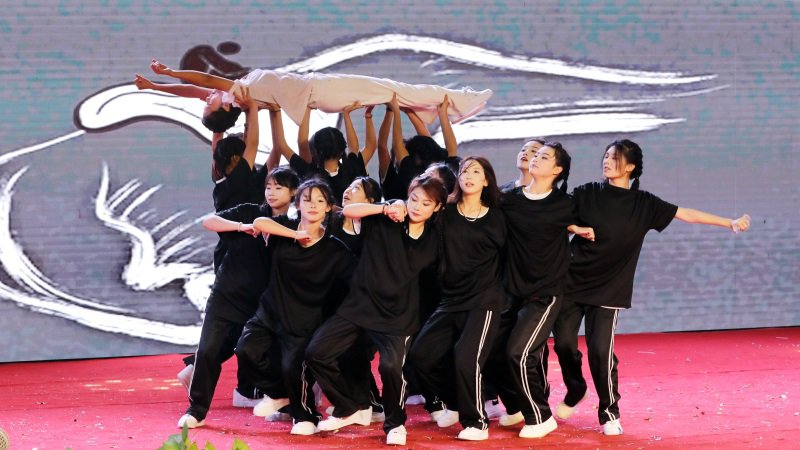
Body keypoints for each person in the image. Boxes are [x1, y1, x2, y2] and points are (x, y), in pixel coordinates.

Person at [551, 139, 751, 436]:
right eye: (606, 156)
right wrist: (575, 228)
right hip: (571, 282)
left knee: (600, 351)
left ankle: (609, 412)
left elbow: (686, 214)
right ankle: (576, 387)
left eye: (615, 158)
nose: (607, 161)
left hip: (609, 288)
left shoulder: (644, 204)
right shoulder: (587, 192)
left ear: (630, 166)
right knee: (564, 345)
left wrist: (729, 223)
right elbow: (556, 218)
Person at [305, 175, 447, 446]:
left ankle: (395, 424)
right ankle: (349, 406)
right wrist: (384, 208)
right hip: (359, 306)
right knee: (317, 352)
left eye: (426, 203)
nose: (417, 206)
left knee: (391, 367)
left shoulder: (434, 238)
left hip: (398, 316)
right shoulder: (387, 215)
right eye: (413, 199)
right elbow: (349, 210)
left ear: (437, 207)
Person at [176, 166, 299, 430]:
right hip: (225, 296)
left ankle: (284, 398)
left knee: (256, 353)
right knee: (208, 351)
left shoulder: (293, 224)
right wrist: (242, 227)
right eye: (268, 187)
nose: (271, 192)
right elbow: (209, 221)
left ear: (293, 193)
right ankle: (196, 410)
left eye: (278, 188)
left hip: (260, 305)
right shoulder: (249, 211)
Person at [233, 179, 357, 436]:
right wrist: (294, 235)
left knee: (293, 368)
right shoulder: (283, 231)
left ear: (328, 208)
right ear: (298, 204)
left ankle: (306, 415)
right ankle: (279, 394)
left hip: (304, 320)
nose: (313, 205)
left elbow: (354, 285)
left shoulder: (335, 249)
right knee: (246, 350)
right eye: (307, 199)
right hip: (269, 312)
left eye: (320, 201)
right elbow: (259, 223)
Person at [486, 142, 587, 439]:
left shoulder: (566, 204)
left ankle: (540, 416)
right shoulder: (509, 200)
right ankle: (517, 406)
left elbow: (592, 224)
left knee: (519, 353)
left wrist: (578, 228)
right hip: (510, 291)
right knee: (493, 351)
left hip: (545, 293)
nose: (536, 159)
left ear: (557, 170)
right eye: (536, 155)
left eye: (544, 157)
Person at [407, 156, 506, 441]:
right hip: (451, 299)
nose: (468, 175)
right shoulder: (445, 214)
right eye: (464, 171)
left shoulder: (497, 216)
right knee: (421, 355)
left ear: (485, 180)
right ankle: (453, 401)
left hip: (484, 300)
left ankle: (476, 422)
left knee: (466, 358)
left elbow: (511, 257)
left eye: (475, 171)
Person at [143, 59, 492, 131]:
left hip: (321, 87)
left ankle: (433, 110)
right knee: (392, 89)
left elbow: (194, 91)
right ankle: (460, 100)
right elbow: (203, 80)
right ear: (223, 108)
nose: (207, 97)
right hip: (322, 90)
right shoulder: (240, 94)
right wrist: (170, 73)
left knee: (391, 92)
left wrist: (157, 86)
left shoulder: (239, 94)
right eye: (209, 104)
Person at [385, 94, 459, 199]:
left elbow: (398, 145)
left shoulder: (414, 175)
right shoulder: (445, 165)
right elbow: (434, 143)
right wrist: (442, 113)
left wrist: (397, 111)